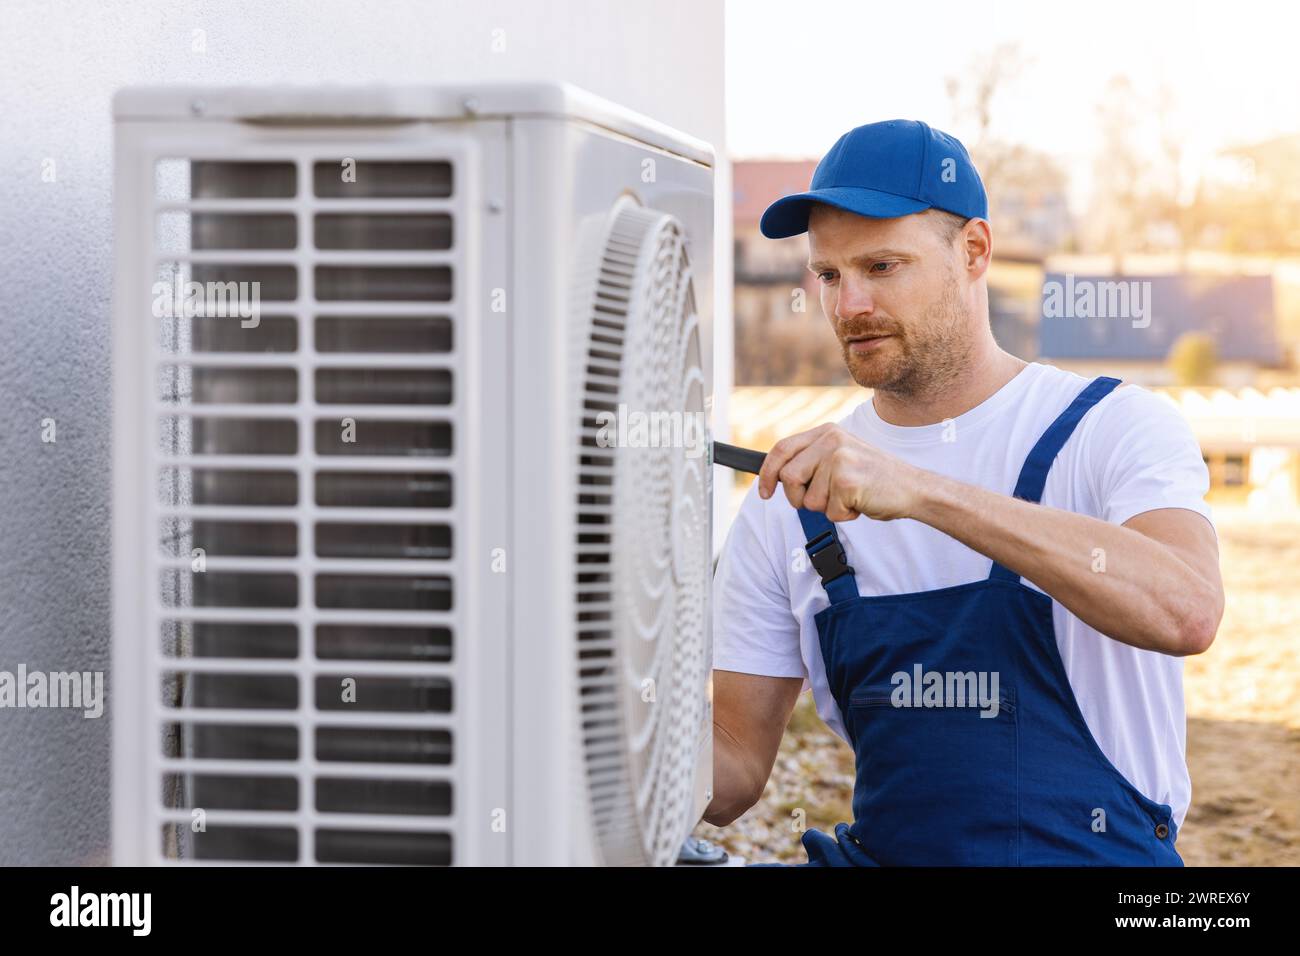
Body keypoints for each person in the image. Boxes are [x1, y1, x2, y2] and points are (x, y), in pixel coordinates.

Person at [706, 120, 1223, 866]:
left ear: (974, 251)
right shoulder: (789, 500)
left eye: (882, 267)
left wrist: (920, 491)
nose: (849, 306)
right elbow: (732, 775)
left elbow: (1188, 609)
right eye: (827, 275)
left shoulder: (1112, 428)